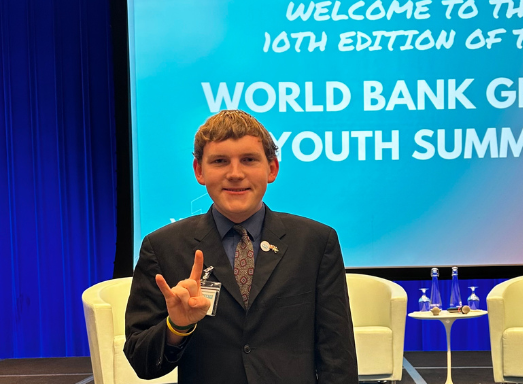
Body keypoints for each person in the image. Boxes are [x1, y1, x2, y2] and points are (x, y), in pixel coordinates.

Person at [124, 110, 358, 383]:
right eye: (220, 161)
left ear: (272, 169)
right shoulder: (162, 246)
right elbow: (142, 362)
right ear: (199, 170)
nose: (235, 174)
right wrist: (176, 326)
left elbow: (337, 356)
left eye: (248, 160)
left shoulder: (316, 242)